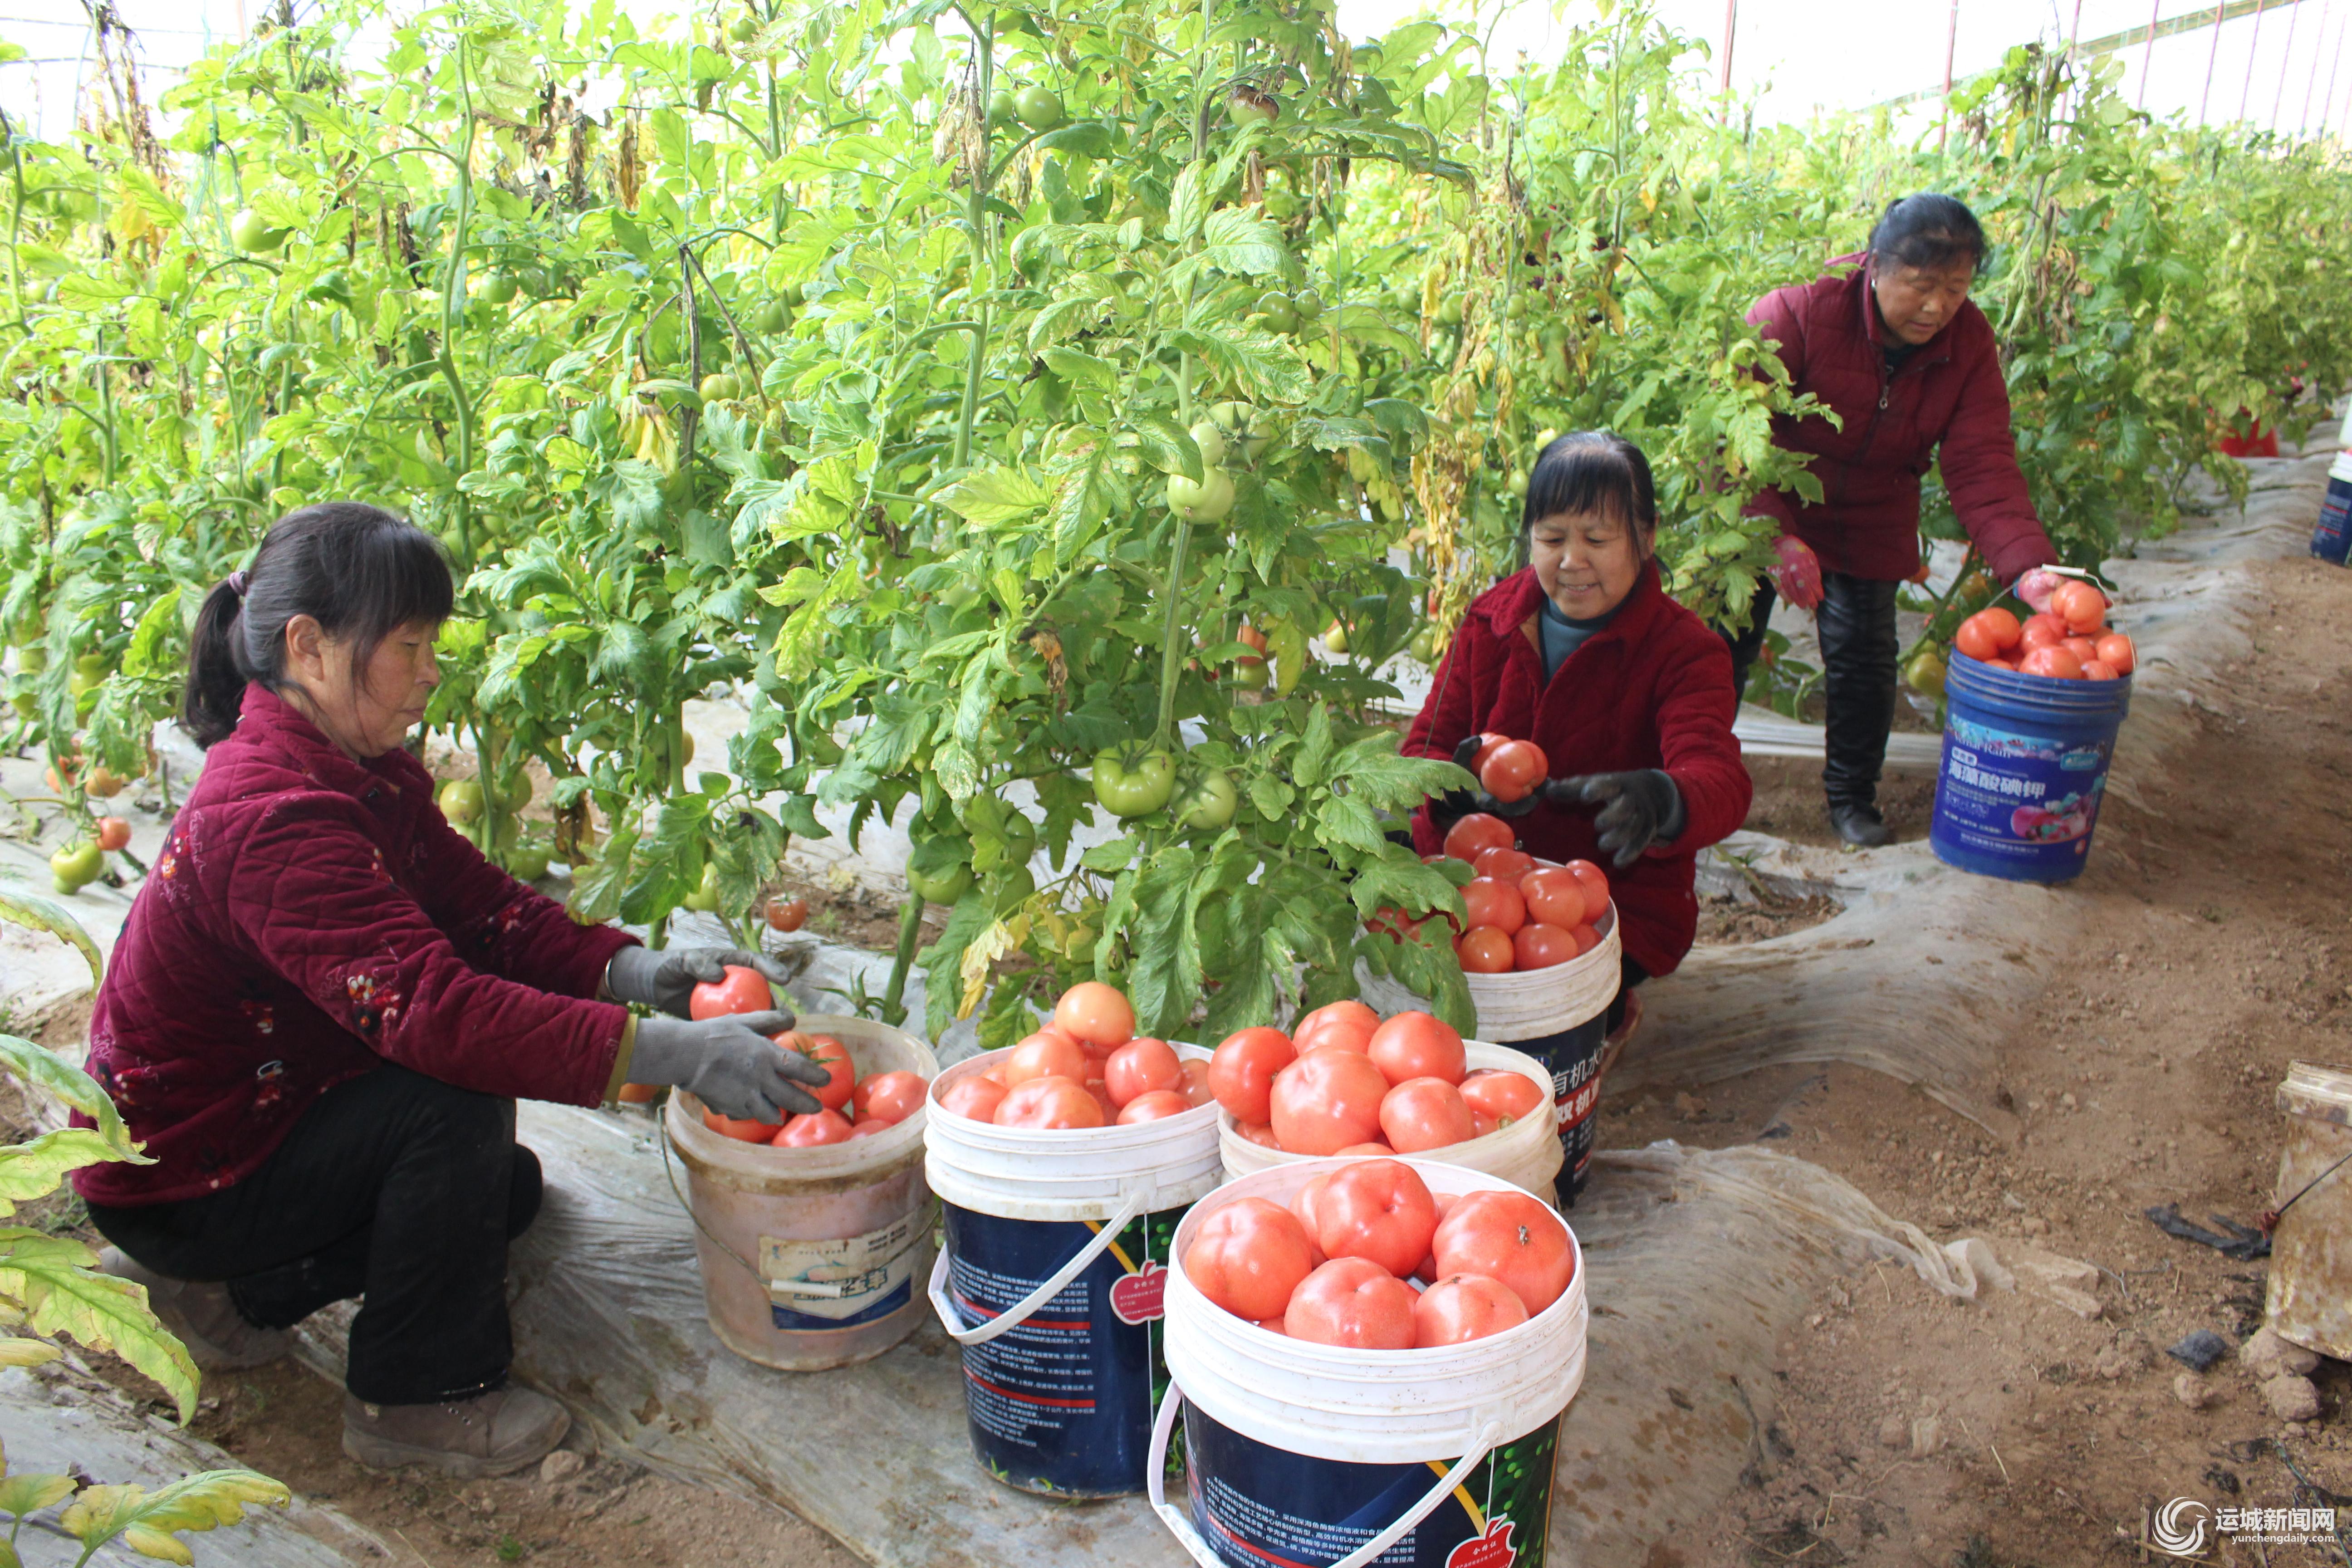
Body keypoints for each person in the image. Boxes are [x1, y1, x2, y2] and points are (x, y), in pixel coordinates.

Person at [71, 504, 829, 1479]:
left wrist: (628, 971)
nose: (431, 671)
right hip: (184, 1171)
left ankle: (225, 1295)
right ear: (308, 646)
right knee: (452, 1102)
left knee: (501, 1194)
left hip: (259, 1114)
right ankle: (417, 1399)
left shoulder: (355, 769)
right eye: (409, 645)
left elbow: (482, 909)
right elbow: (434, 1013)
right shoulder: (272, 816)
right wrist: (671, 1053)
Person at [1726, 193, 2063, 847]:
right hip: (1771, 492)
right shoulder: (1797, 312)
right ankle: (1690, 787)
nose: (1938, 307)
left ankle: (1853, 799)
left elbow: (1983, 462)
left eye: (1956, 289)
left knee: (1865, 661)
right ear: (1875, 266)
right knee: (1721, 648)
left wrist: (2028, 567)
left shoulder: (1968, 343)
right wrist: (1771, 531)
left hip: (1874, 511)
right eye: (1921, 285)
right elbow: (1729, 437)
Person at [1404, 431, 1753, 1053]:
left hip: (1612, 909)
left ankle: (1613, 1006)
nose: (1572, 561)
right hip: (1477, 895)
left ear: (1646, 538)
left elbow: (1719, 776)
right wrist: (1448, 795)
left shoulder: (1683, 651)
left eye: (1597, 539)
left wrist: (1662, 799)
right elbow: (1421, 751)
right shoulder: (1489, 623)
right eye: (1552, 539)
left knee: (1548, 1021)